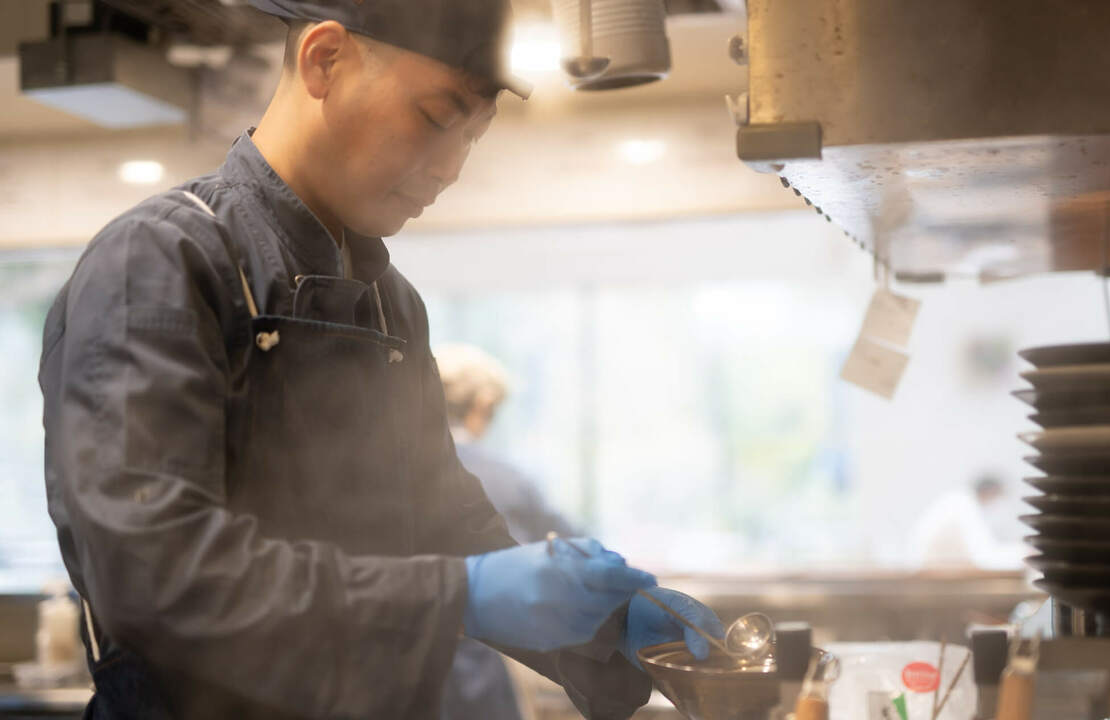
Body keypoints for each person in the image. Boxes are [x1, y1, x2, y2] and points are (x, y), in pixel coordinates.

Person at [37, 2, 723, 718]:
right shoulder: (160, 261)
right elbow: (157, 574)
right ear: (324, 61)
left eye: (474, 135)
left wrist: (604, 625)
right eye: (434, 117)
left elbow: (442, 524)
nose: (453, 167)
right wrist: (466, 593)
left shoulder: (393, 305)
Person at [434, 343, 580, 720]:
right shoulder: (505, 479)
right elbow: (571, 550)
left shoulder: (388, 477)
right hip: (484, 665)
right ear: (482, 405)